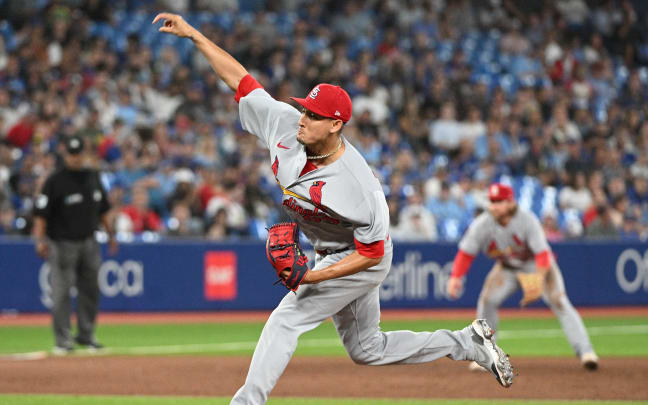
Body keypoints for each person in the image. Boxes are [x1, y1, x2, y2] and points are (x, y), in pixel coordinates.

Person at [152, 13, 515, 405]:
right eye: (304, 110)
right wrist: (193, 35)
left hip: (363, 257)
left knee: (286, 318)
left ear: (336, 125)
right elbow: (242, 83)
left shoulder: (357, 185)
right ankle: (466, 342)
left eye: (313, 115)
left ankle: (247, 401)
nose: (302, 119)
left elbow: (372, 253)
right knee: (368, 350)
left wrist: (312, 277)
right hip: (329, 249)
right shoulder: (285, 125)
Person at [447, 183, 599, 371]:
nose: (494, 206)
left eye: (499, 202)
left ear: (511, 202)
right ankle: (486, 355)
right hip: (507, 267)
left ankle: (586, 351)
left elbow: (543, 254)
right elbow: (465, 253)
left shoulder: (527, 220)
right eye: (492, 201)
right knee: (487, 301)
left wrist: (538, 279)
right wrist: (455, 277)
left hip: (536, 265)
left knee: (559, 300)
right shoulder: (482, 224)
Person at [33, 135, 118, 354]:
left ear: (84, 154)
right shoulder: (55, 181)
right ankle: (63, 340)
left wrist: (111, 236)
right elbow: (41, 214)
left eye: (78, 154)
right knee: (61, 293)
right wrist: (40, 240)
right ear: (65, 155)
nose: (75, 159)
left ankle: (86, 335)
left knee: (91, 290)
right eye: (71, 154)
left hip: (89, 241)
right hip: (62, 243)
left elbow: (104, 209)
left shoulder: (93, 177)